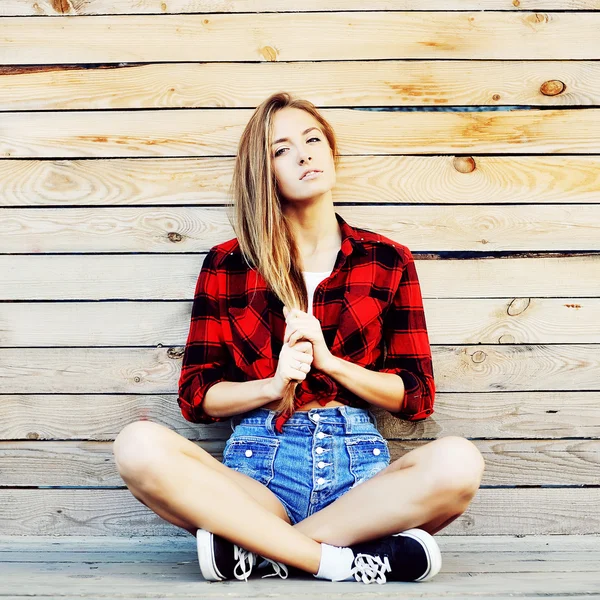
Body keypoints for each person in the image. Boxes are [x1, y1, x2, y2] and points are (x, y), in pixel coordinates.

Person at [112, 92, 485, 586]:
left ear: (331, 151)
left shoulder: (387, 260)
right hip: (259, 470)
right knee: (138, 445)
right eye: (281, 149)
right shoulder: (227, 264)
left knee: (459, 461)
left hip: (359, 481)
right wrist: (271, 385)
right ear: (263, 174)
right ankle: (337, 562)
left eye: (312, 140)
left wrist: (331, 363)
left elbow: (416, 397)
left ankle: (263, 552)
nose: (305, 154)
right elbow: (198, 396)